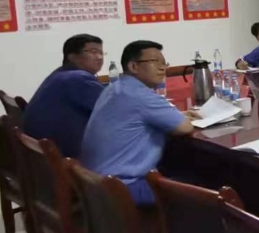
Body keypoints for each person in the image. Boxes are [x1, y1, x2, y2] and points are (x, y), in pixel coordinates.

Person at [81, 41, 195, 206]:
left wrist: (175, 115)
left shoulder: (114, 88)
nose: (162, 68)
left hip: (94, 184)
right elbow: (185, 127)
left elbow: (137, 116)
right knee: (204, 186)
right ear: (133, 66)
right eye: (155, 62)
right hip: (123, 188)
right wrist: (180, 118)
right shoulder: (141, 95)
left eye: (164, 63)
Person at [23, 34, 106, 158]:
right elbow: (113, 109)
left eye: (101, 53)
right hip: (63, 153)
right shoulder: (77, 78)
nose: (100, 57)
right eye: (93, 52)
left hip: (45, 149)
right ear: (72, 56)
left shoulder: (63, 74)